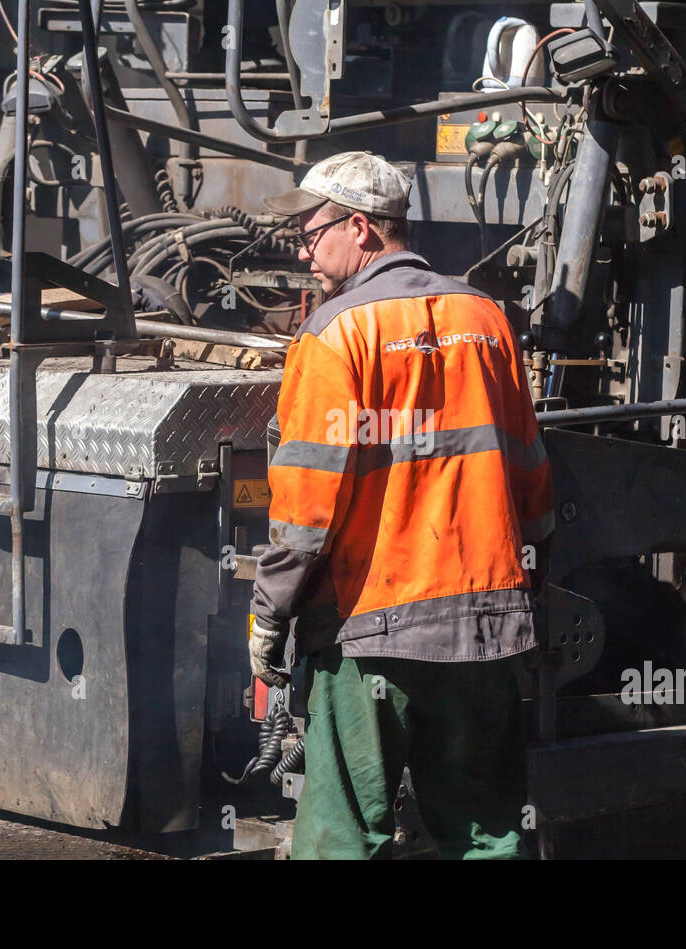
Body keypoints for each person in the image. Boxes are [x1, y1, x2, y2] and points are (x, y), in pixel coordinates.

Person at [248, 151, 554, 860]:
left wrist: (270, 615)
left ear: (359, 227)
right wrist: (525, 591)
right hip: (485, 632)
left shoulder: (335, 334)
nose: (302, 250)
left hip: (372, 636)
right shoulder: (487, 320)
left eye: (310, 231)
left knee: (342, 840)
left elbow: (304, 512)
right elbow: (534, 483)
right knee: (486, 841)